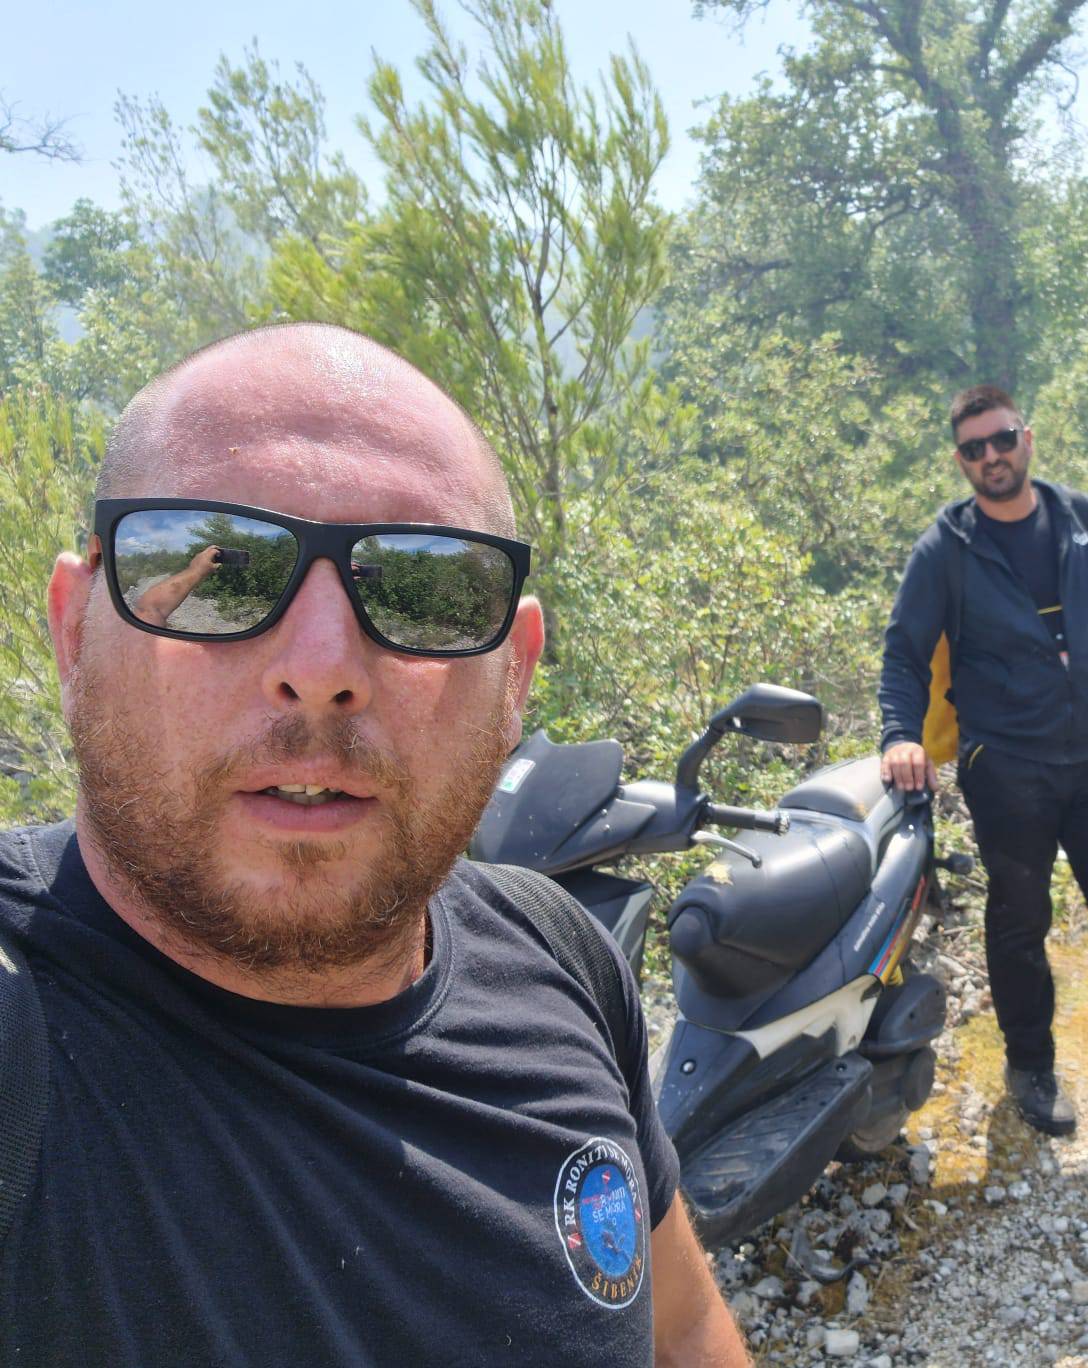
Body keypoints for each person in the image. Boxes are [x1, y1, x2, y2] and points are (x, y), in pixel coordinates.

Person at [0, 323, 748, 1364]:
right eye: (219, 574)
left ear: (515, 677)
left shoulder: (557, 957)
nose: (320, 666)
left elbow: (684, 1326)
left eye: (424, 592)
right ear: (76, 631)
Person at [876, 383, 1088, 1136]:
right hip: (1007, 764)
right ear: (961, 461)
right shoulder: (946, 549)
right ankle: (1030, 1069)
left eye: (1002, 439)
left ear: (1027, 438)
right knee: (1020, 919)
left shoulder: (1085, 524)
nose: (991, 457)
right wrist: (899, 736)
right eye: (974, 448)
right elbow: (903, 653)